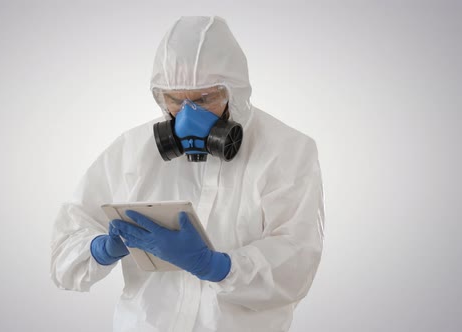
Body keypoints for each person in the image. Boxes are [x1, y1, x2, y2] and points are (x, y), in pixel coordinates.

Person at [50, 16, 325, 332]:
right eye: (175, 100)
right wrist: (101, 248)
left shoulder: (286, 151)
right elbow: (65, 248)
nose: (188, 115)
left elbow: (297, 261)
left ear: (232, 91)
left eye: (204, 99)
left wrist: (217, 267)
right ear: (160, 96)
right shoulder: (132, 151)